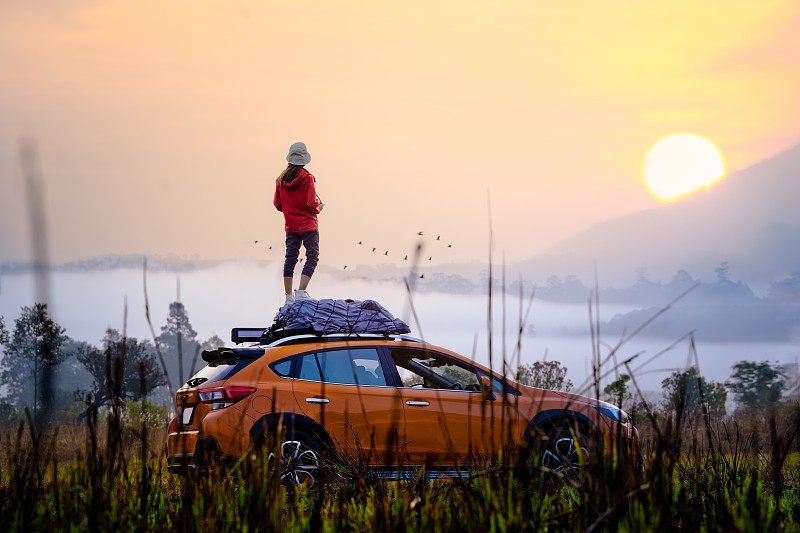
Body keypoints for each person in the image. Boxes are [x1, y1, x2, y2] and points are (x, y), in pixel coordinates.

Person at [274, 142, 324, 306]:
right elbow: (311, 203)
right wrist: (319, 207)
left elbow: (278, 204)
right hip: (309, 226)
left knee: (290, 259)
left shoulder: (280, 179)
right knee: (312, 257)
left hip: (291, 227)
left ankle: (289, 297)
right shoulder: (307, 178)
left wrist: (291, 209)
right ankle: (301, 292)